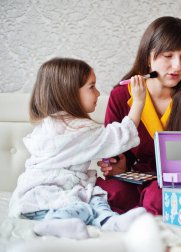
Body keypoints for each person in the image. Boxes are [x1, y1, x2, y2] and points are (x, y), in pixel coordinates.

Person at [95, 16, 181, 215]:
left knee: (159, 197)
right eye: (168, 56)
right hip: (132, 179)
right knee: (112, 194)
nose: (177, 66)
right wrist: (113, 164)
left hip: (179, 182)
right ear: (148, 57)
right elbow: (112, 150)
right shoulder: (121, 96)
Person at [9, 57, 148, 239]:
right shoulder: (77, 130)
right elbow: (121, 136)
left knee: (96, 198)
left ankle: (111, 221)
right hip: (43, 199)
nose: (98, 93)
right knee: (81, 205)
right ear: (69, 93)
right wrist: (138, 101)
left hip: (45, 194)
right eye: (92, 87)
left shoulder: (53, 124)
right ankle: (55, 223)